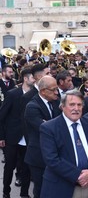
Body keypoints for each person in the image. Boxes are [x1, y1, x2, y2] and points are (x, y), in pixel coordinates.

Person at [39, 90, 88, 198]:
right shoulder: (49, 128)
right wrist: (79, 176)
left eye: (79, 105)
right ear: (62, 106)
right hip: (63, 187)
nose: (76, 108)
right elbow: (51, 159)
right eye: (72, 104)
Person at [24, 76, 62, 198]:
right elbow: (47, 129)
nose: (57, 92)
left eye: (57, 89)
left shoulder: (56, 101)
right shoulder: (32, 106)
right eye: (53, 89)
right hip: (39, 157)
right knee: (41, 190)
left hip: (57, 155)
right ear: (43, 91)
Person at [0, 68, 35, 198]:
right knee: (9, 167)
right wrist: (1, 136)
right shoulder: (12, 94)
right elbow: (1, 116)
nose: (35, 79)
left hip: (28, 138)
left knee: (26, 167)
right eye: (33, 77)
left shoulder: (35, 95)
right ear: (25, 79)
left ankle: (24, 194)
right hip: (12, 137)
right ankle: (6, 192)